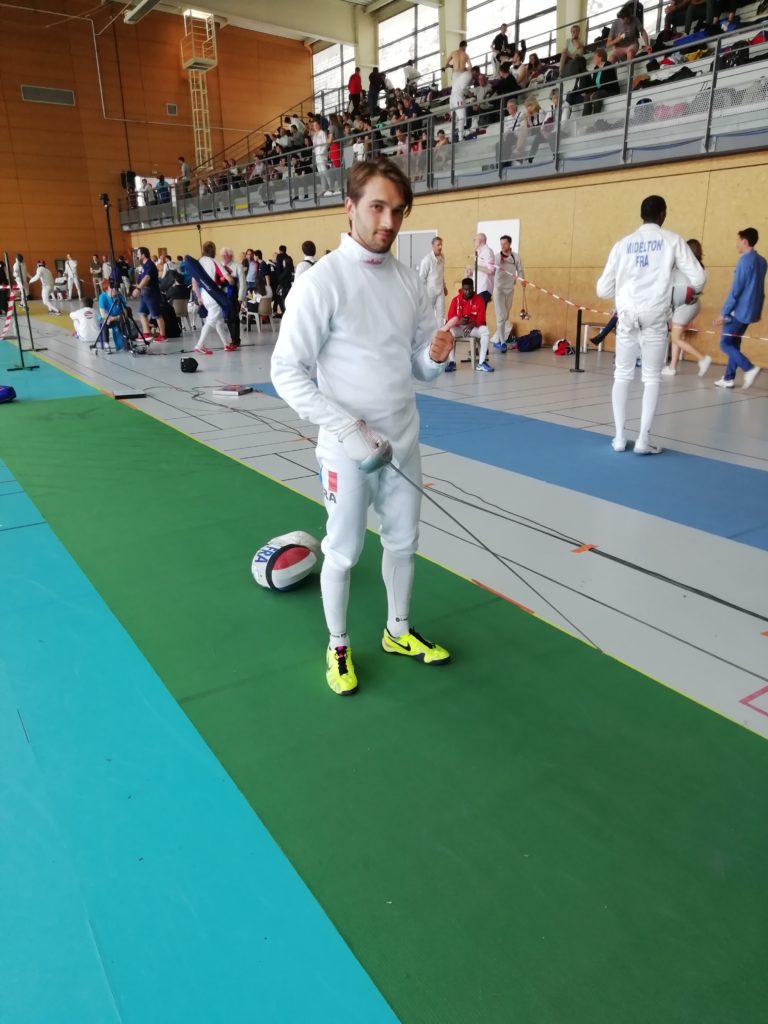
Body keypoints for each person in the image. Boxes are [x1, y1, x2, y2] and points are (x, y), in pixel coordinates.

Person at [271, 158, 453, 696]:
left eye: (398, 211)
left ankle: (398, 630)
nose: (389, 222)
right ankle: (338, 644)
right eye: (377, 207)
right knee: (344, 550)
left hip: (403, 441)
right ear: (348, 207)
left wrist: (435, 356)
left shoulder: (408, 282)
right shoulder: (321, 282)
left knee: (404, 543)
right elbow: (286, 371)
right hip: (346, 450)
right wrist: (347, 427)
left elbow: (418, 367)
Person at [596, 194, 706, 455]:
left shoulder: (622, 244)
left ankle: (619, 438)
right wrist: (678, 294)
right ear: (663, 214)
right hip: (656, 314)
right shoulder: (672, 240)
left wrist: (624, 291)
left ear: (641, 215)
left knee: (622, 374)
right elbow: (698, 278)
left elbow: (602, 289)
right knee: (651, 378)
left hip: (627, 315)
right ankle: (643, 441)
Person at [713, 227, 766, 390]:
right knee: (734, 343)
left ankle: (749, 368)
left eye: (738, 241)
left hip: (738, 311)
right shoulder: (762, 261)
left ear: (745, 241)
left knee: (725, 344)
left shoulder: (744, 261)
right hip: (750, 312)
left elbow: (736, 290)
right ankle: (728, 378)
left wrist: (724, 312)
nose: (737, 244)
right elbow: (758, 289)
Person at [662, 239, 712, 377]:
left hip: (685, 307)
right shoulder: (698, 268)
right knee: (678, 336)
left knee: (676, 338)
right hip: (691, 305)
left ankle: (703, 358)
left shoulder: (684, 268)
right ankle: (672, 367)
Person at [192, 241, 234, 354]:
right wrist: (232, 281)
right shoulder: (214, 261)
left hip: (204, 294)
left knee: (218, 320)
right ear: (213, 250)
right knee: (211, 320)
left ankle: (226, 344)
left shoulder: (198, 262)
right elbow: (228, 278)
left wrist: (198, 296)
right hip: (214, 294)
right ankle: (199, 345)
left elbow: (194, 283)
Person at [444, 277, 493, 373]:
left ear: (473, 288)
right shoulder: (455, 300)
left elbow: (482, 319)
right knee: (448, 332)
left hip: (473, 328)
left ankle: (481, 363)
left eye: (470, 289)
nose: (468, 292)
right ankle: (452, 362)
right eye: (466, 289)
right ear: (462, 289)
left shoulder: (479, 300)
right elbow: (450, 318)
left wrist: (473, 323)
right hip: (459, 329)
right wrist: (458, 322)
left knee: (485, 331)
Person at [493, 236, 524, 350]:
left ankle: (496, 340)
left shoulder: (516, 257)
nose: (502, 246)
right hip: (498, 289)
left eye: (505, 244)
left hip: (510, 289)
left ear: (510, 244)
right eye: (501, 244)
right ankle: (502, 342)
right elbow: (491, 271)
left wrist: (522, 280)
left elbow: (520, 270)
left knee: (505, 317)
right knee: (501, 316)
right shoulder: (497, 257)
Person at [132, 246, 166, 342]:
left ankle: (163, 335)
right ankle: (146, 333)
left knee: (157, 315)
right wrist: (137, 286)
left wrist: (138, 289)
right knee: (142, 313)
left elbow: (147, 278)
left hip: (151, 293)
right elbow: (141, 278)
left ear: (143, 255)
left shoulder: (150, 265)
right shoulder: (143, 266)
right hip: (144, 294)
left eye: (138, 254)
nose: (137, 256)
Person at [418, 236, 448, 327]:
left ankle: (440, 333)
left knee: (440, 315)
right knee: (428, 314)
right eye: (438, 245)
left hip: (440, 291)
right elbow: (421, 278)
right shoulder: (426, 260)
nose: (440, 247)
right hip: (429, 292)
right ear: (433, 246)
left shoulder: (442, 257)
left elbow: (441, 274)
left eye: (441, 245)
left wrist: (444, 286)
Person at [445, 40, 472, 137]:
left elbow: (446, 64)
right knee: (459, 93)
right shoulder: (466, 55)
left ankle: (453, 114)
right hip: (462, 74)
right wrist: (465, 69)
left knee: (454, 93)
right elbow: (470, 67)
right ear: (464, 46)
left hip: (455, 73)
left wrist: (451, 66)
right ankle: (456, 115)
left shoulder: (453, 53)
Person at [97, 280, 126, 350]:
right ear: (107, 289)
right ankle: (106, 344)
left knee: (125, 321)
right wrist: (113, 318)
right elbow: (103, 314)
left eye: (115, 288)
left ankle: (126, 340)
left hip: (117, 317)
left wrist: (117, 317)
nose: (114, 290)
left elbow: (125, 311)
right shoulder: (102, 297)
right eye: (112, 288)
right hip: (107, 318)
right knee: (105, 323)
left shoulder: (119, 296)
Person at [472, 232, 496, 306]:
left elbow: (491, 270)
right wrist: (471, 272)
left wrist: (476, 267)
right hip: (478, 288)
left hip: (483, 289)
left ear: (480, 241)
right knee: (476, 312)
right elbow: (479, 270)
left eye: (475, 240)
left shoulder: (487, 251)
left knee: (480, 312)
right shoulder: (479, 252)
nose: (473, 242)